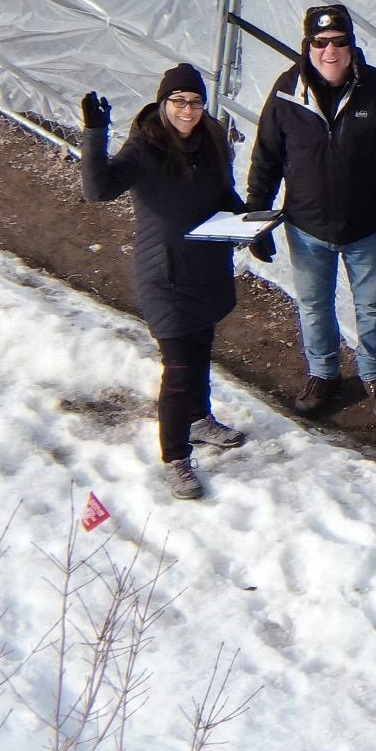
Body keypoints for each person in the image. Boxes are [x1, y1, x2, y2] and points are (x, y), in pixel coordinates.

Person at [80, 65, 271, 501]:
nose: (188, 110)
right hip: (165, 274)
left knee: (201, 349)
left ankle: (200, 419)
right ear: (164, 104)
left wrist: (250, 226)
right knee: (179, 369)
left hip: (206, 264)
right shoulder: (145, 147)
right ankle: (175, 458)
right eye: (179, 101)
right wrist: (94, 134)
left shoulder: (213, 141)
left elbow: (223, 196)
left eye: (196, 102)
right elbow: (98, 190)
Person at [243, 4, 376, 419]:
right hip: (307, 227)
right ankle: (324, 373)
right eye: (321, 42)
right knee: (314, 304)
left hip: (368, 226)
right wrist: (257, 216)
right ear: (307, 46)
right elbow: (267, 156)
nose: (331, 51)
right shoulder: (287, 91)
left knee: (373, 304)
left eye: (340, 42)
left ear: (352, 44)